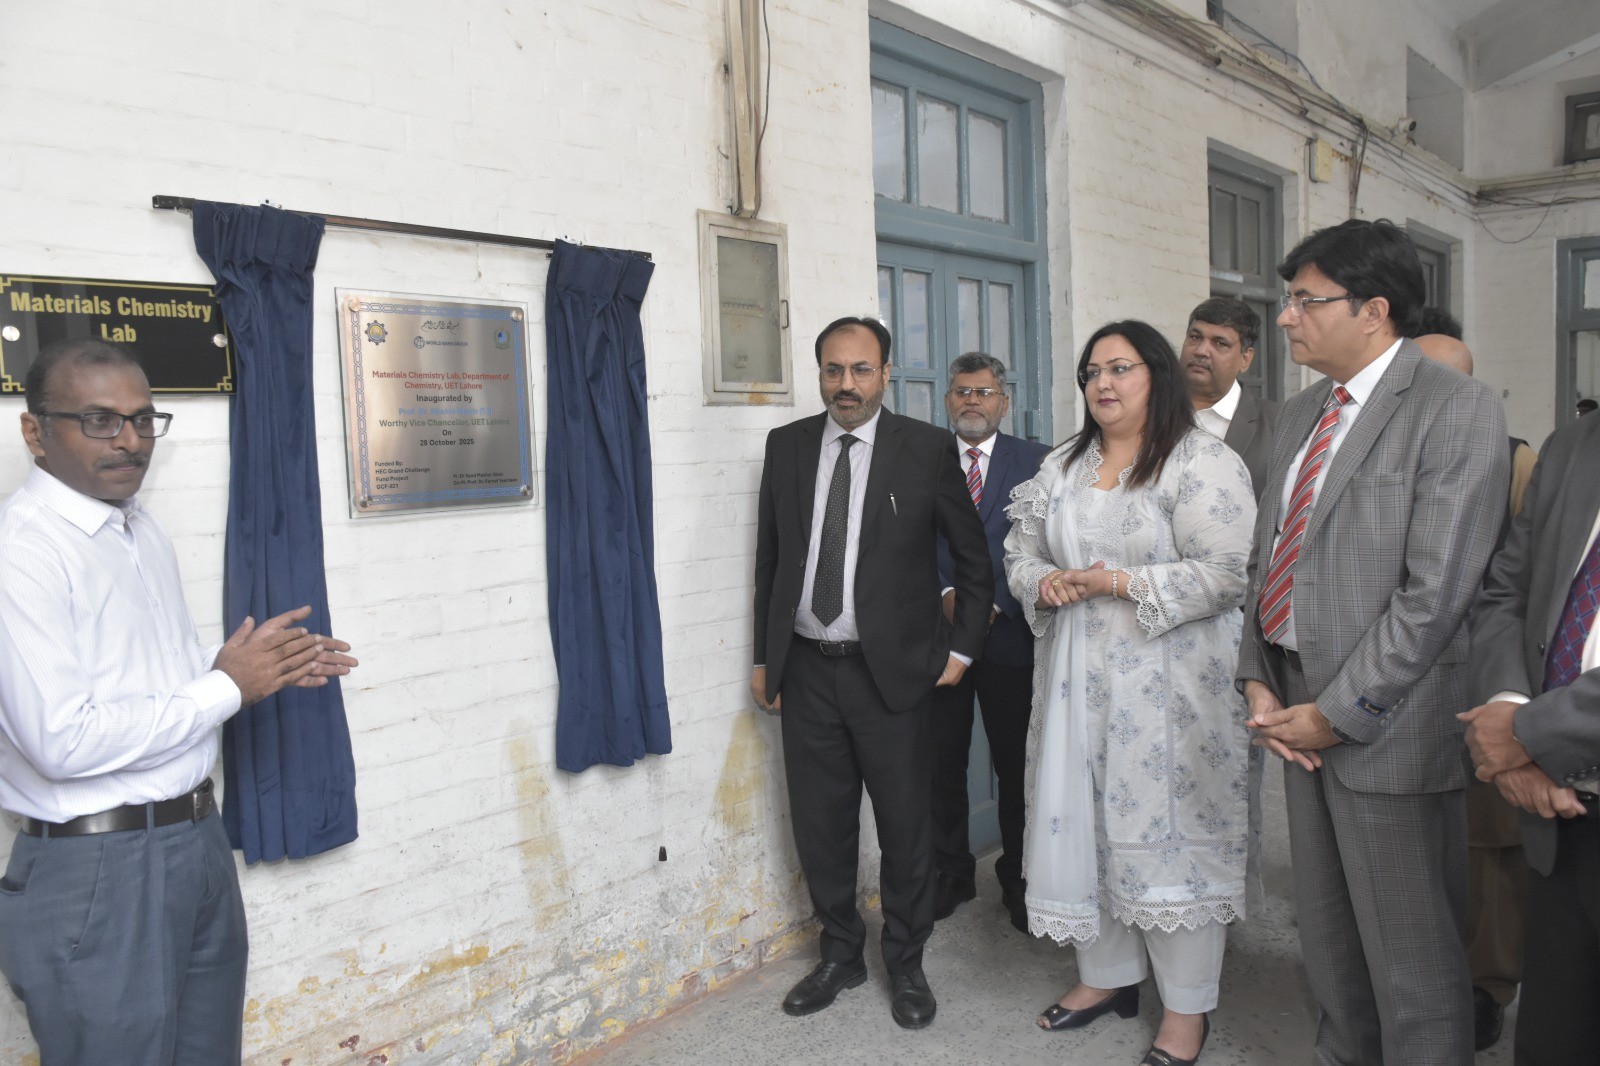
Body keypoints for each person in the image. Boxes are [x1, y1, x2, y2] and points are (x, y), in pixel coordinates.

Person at [0, 338, 357, 1063]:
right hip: (97, 871)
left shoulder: (137, 528)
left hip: (194, 841)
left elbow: (147, 680)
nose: (129, 441)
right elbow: (61, 740)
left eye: (142, 420)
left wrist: (252, 666)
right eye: (99, 420)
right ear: (35, 431)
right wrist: (228, 686)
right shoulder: (22, 552)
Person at [1237, 218, 1509, 1064]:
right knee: (1328, 937)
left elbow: (1436, 595)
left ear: (1374, 310)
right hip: (1293, 703)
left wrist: (1336, 713)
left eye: (1305, 300)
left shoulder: (1454, 409)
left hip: (1387, 719)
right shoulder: (1300, 415)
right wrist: (1258, 677)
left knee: (1410, 957)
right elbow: (1266, 558)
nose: (1287, 317)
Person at [1005, 320, 1256, 1066]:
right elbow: (1020, 550)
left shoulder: (1201, 461)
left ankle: (1186, 1010)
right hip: (1073, 684)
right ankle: (1107, 977)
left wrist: (1117, 581)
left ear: (1158, 375)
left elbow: (1227, 574)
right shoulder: (1063, 465)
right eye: (1092, 372)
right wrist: (1043, 582)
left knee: (1169, 845)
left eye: (1120, 368)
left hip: (1169, 696)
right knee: (1084, 827)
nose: (1103, 384)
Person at [751, 316, 991, 1030]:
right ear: (820, 374)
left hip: (893, 676)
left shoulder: (924, 448)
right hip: (807, 671)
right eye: (833, 370)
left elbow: (974, 559)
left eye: (860, 369)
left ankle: (907, 962)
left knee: (905, 827)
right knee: (821, 826)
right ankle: (841, 955)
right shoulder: (788, 446)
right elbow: (770, 561)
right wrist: (765, 658)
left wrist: (960, 652)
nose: (846, 384)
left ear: (886, 373)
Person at [1463, 411, 1600, 1065]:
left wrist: (1528, 734)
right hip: (1560, 820)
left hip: (1549, 761)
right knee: (1555, 1040)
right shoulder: (1575, 444)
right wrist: (1510, 711)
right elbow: (1506, 594)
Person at [1414, 320, 1536, 1050]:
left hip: (1482, 679)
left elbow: (1527, 585)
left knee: (1489, 841)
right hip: (1399, 681)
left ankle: (1485, 985)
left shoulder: (1517, 462)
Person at [929, 352, 1049, 932]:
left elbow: (1044, 541)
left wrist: (994, 601)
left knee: (1016, 765)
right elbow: (909, 535)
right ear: (947, 400)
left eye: (983, 392)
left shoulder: (1039, 461)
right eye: (961, 391)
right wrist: (946, 590)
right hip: (939, 636)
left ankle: (1020, 879)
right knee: (940, 763)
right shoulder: (922, 456)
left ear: (1005, 400)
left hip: (1011, 637)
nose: (971, 401)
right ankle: (950, 875)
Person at [1181, 297, 1277, 499]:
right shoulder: (1148, 412)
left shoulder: (1278, 425)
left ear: (1245, 359)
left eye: (1220, 343)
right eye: (1195, 337)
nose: (1201, 351)